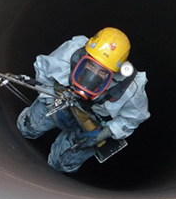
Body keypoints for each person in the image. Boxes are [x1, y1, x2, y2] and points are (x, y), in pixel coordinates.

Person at [17, 27, 150, 173]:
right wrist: (49, 101)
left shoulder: (131, 88)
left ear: (115, 72)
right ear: (85, 54)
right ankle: (27, 133)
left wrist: (106, 132)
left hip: (93, 120)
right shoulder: (72, 52)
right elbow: (44, 71)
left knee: (62, 163)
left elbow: (132, 119)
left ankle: (54, 172)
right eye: (91, 64)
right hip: (63, 98)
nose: (94, 74)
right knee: (29, 126)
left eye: (103, 71)